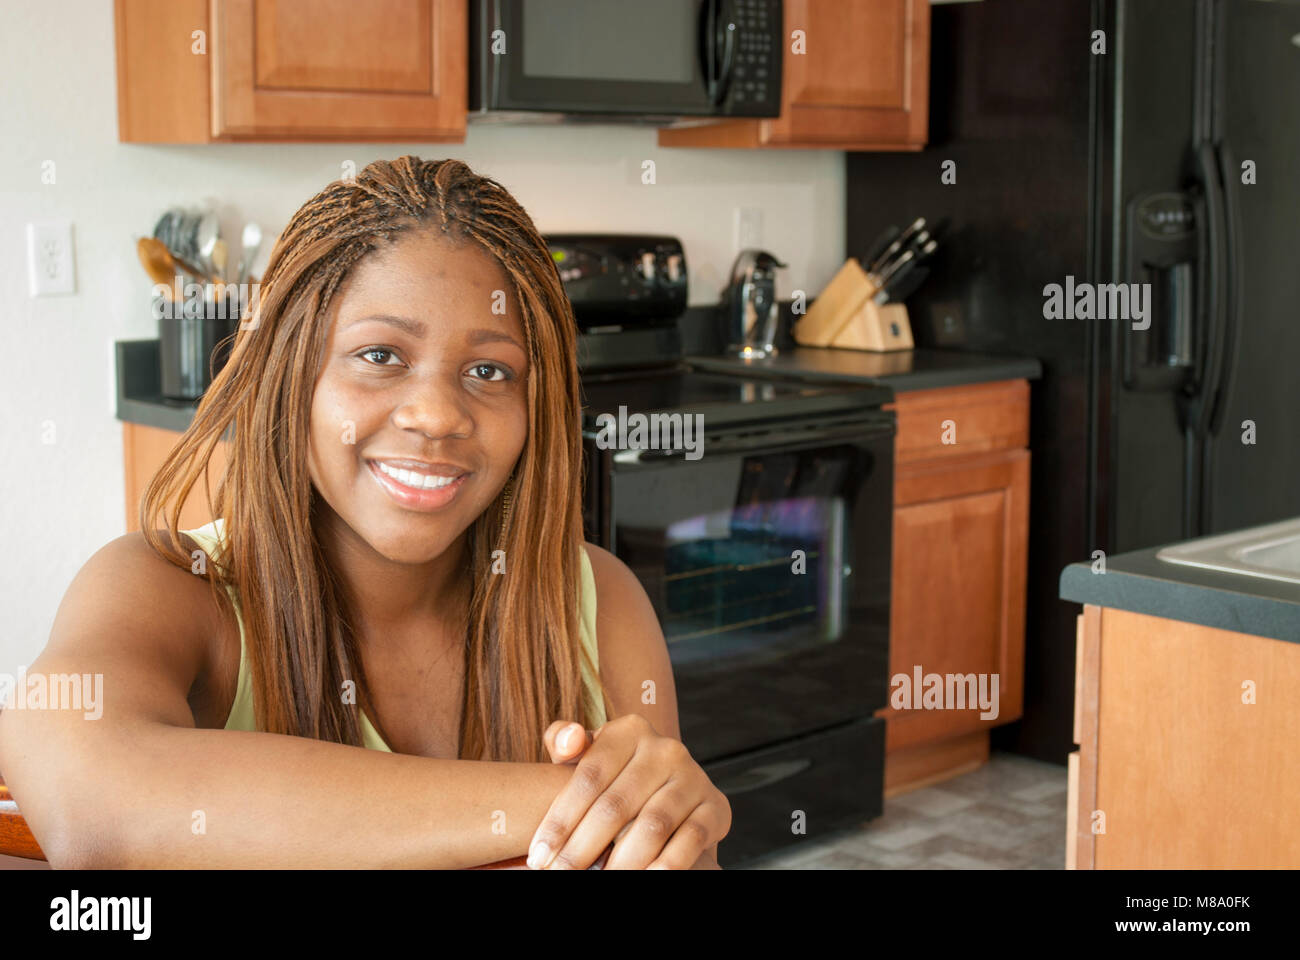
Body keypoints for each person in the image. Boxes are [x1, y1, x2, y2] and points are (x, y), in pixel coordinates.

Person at [0, 157, 729, 870]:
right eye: (380, 354)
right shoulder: (168, 587)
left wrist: (671, 829)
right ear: (292, 376)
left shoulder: (599, 601)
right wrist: (579, 808)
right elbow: (91, 802)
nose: (437, 415)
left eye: (489, 371)